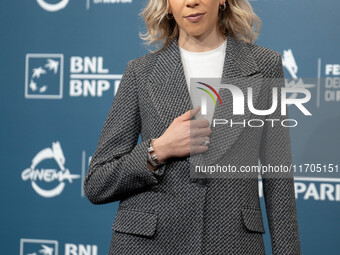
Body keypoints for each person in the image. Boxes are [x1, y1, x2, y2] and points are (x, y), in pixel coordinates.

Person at [84, 0, 302, 254]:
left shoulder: (265, 65)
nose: (191, 2)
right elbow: (97, 182)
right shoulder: (140, 72)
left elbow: (279, 179)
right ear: (167, 5)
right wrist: (157, 150)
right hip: (148, 244)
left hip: (231, 243)